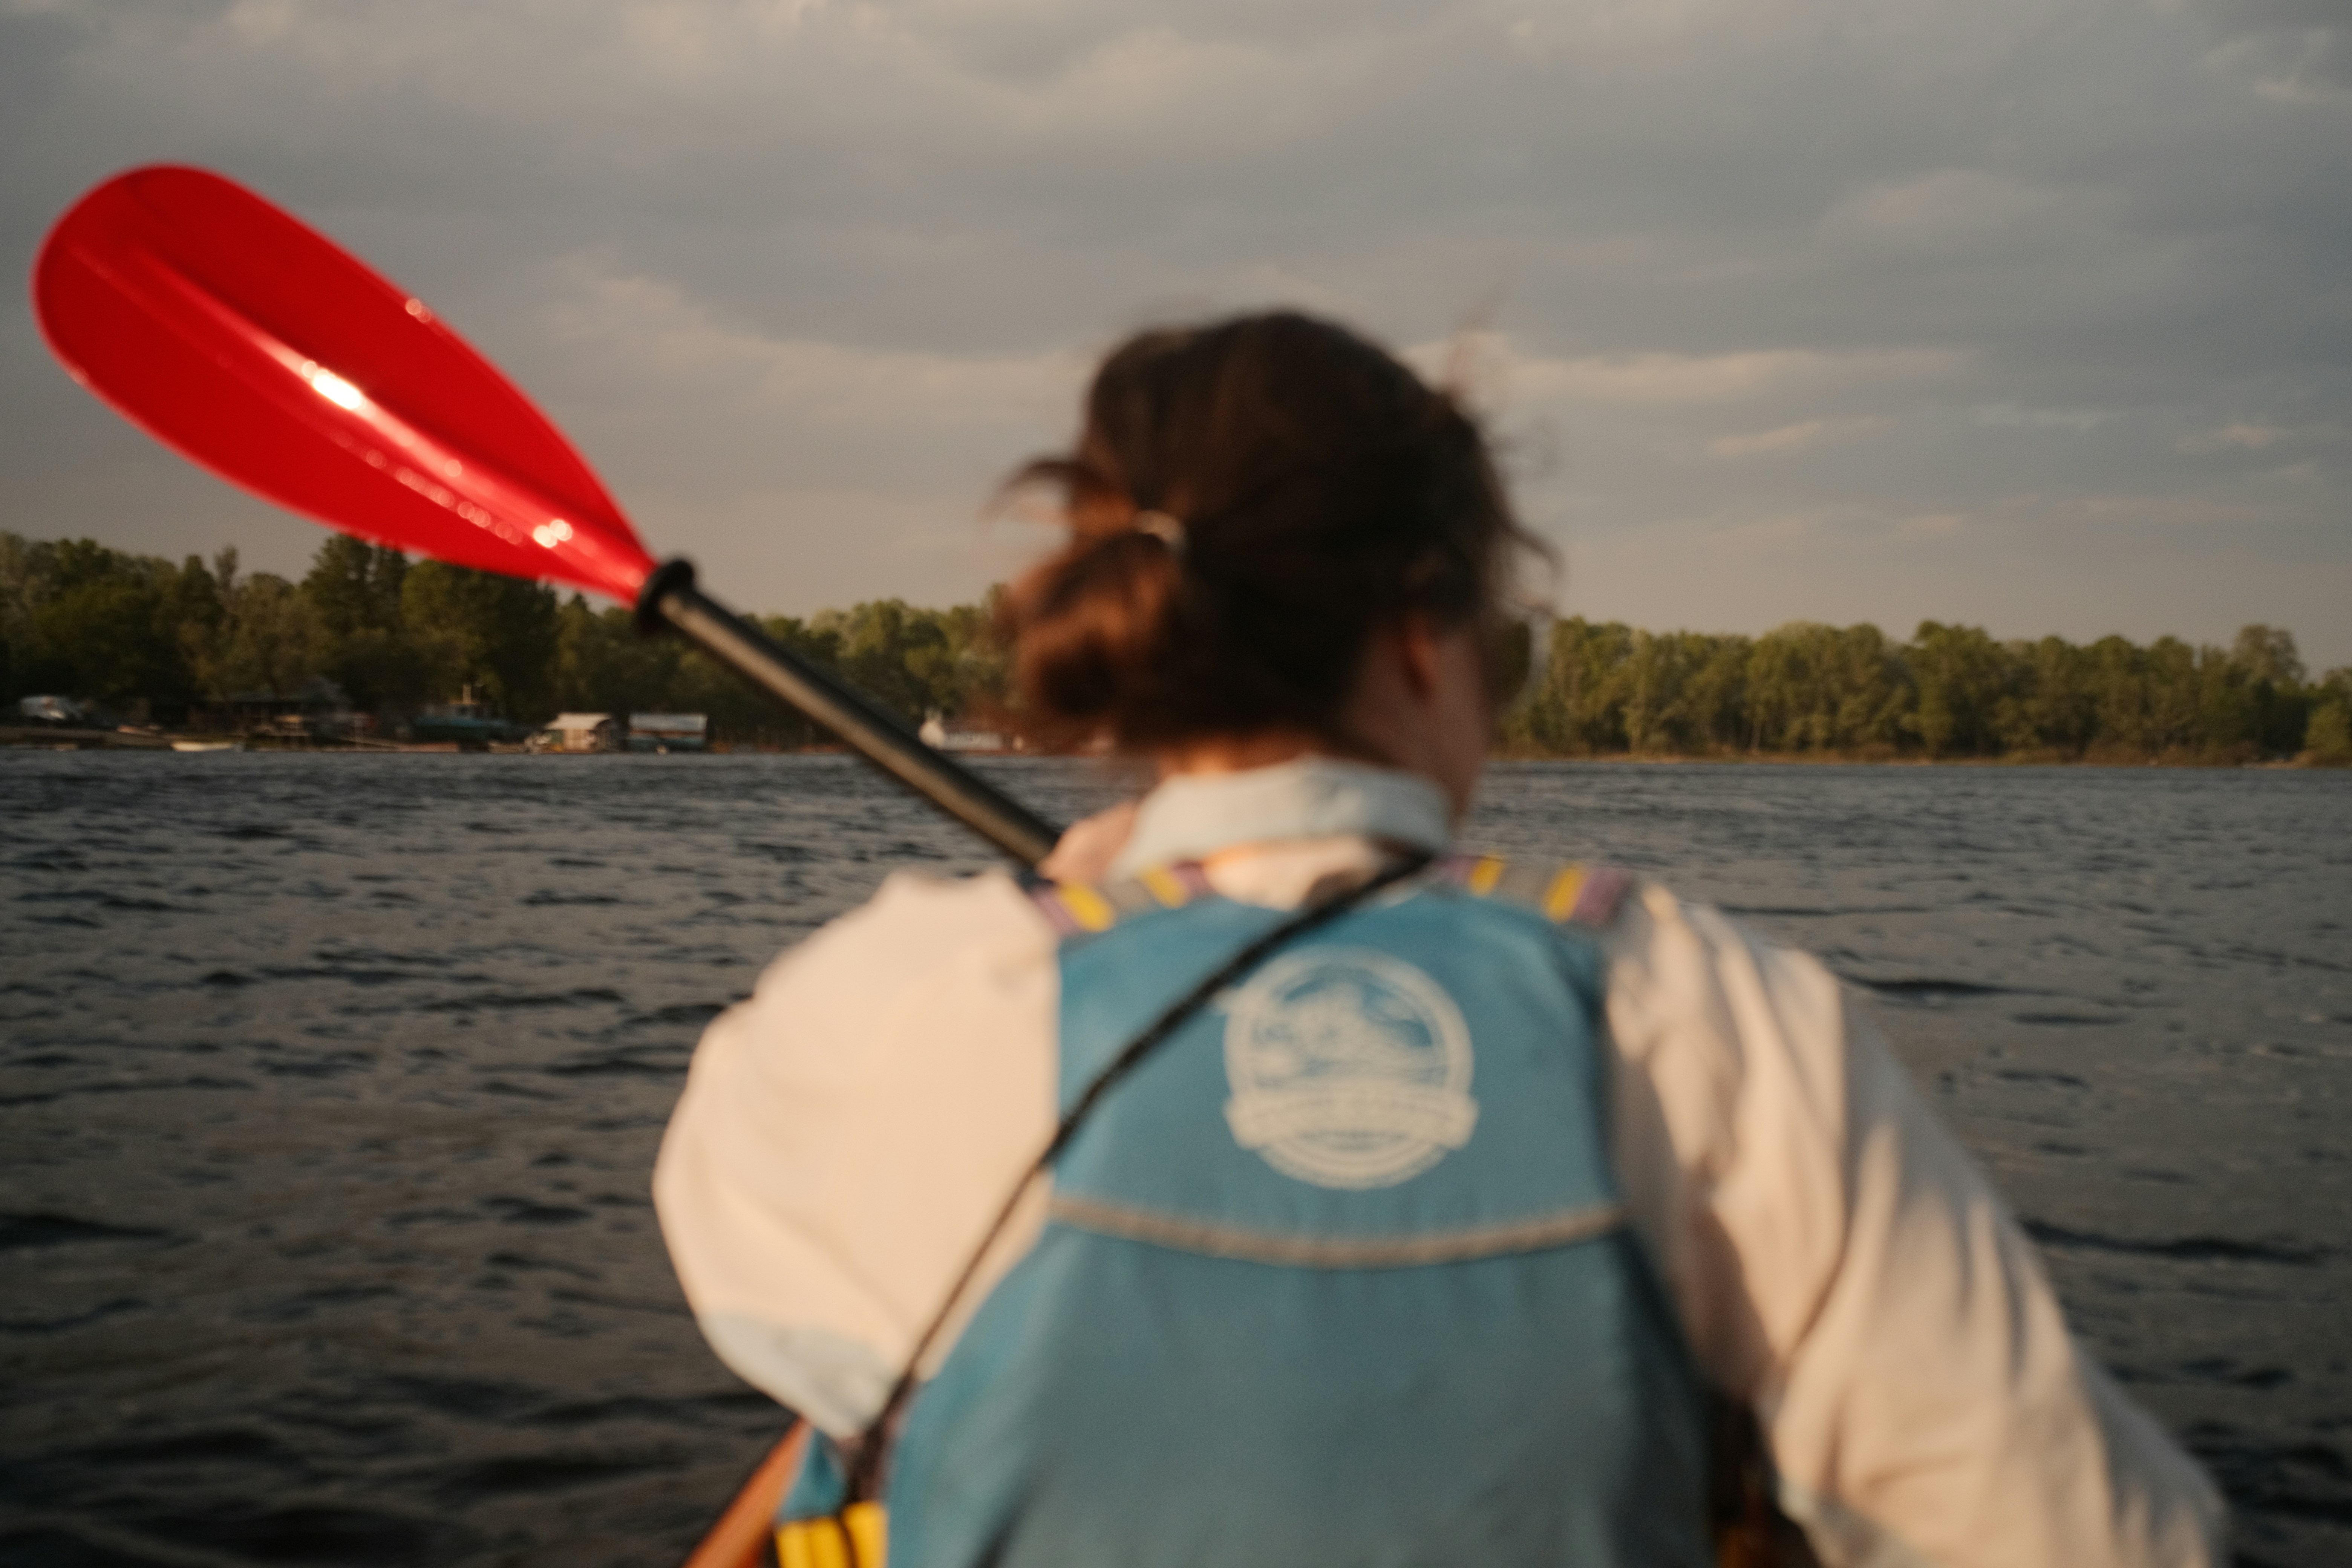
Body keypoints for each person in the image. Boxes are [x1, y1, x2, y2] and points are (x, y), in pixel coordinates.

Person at [654, 311, 2223, 1568]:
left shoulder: (885, 1010)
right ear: (1423, 630)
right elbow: (2089, 1537)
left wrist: (1086, 905)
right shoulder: (1713, 1014)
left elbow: (832, 1350)